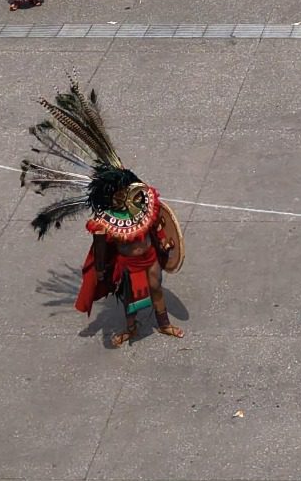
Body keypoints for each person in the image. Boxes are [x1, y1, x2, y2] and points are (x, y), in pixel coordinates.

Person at [26, 83, 186, 347]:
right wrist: (101, 270)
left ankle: (164, 324)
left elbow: (157, 223)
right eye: (119, 193)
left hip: (148, 257)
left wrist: (165, 242)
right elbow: (101, 249)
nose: (125, 196)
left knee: (156, 288)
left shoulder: (143, 200)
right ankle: (131, 329)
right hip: (126, 263)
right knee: (130, 298)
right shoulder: (104, 224)